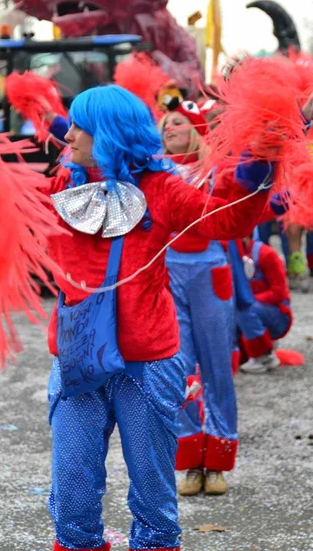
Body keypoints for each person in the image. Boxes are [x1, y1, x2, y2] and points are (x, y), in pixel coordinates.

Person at [39, 85, 273, 551]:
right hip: (76, 355)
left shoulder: (160, 188)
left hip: (146, 360)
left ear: (108, 132)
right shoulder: (61, 184)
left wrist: (259, 158)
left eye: (81, 124)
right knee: (71, 491)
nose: (71, 133)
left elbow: (223, 219)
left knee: (152, 492)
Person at [160, 106, 239, 496]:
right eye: (165, 125)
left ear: (196, 131)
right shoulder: (155, 170)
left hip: (210, 270)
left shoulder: (217, 168)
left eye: (178, 123)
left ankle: (219, 461)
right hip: (169, 273)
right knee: (178, 369)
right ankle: (191, 462)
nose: (170, 128)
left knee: (217, 368)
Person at [237, 233, 293, 374]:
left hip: (279, 315)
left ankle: (264, 356)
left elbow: (279, 293)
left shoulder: (266, 253)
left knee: (243, 308)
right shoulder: (233, 255)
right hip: (254, 309)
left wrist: (248, 300)